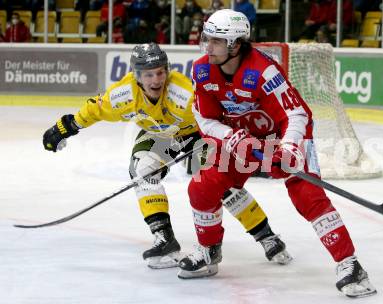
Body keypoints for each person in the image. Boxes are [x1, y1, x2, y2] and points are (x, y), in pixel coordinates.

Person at [177, 9, 377, 299]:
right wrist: (230, 137)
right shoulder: (202, 70)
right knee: (202, 187)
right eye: (206, 39)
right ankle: (208, 252)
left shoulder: (264, 70)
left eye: (216, 41)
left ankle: (350, 265)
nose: (207, 47)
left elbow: (295, 113)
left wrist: (289, 147)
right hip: (242, 137)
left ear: (235, 44)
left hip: (287, 134)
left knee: (307, 196)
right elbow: (206, 120)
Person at [42, 43, 292, 269]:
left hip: (200, 133)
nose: (156, 79)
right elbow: (94, 110)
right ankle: (164, 237)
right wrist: (63, 128)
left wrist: (244, 142)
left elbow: (223, 114)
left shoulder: (184, 94)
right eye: (148, 74)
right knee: (142, 171)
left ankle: (267, 237)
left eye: (161, 72)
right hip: (160, 135)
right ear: (136, 76)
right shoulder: (124, 95)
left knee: (221, 183)